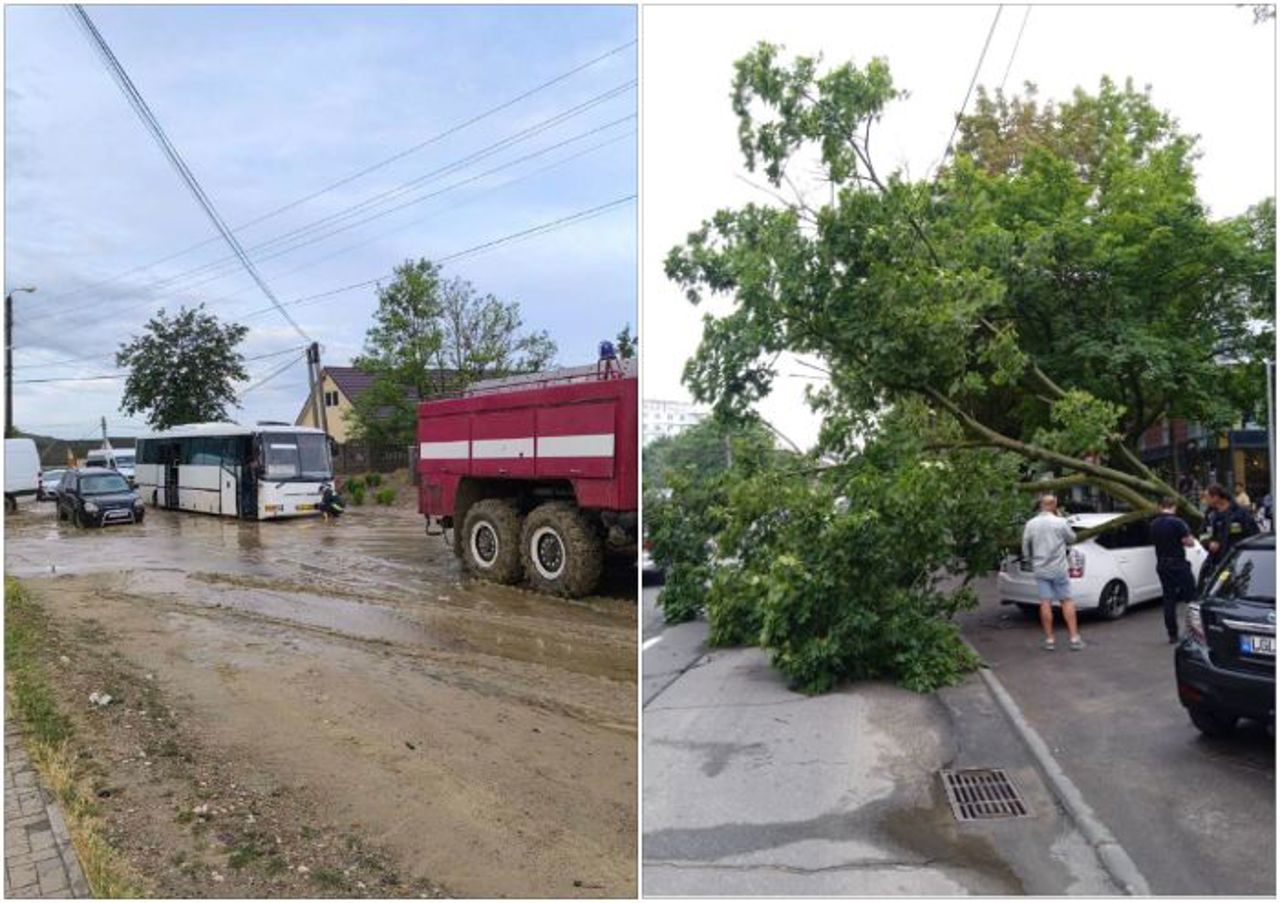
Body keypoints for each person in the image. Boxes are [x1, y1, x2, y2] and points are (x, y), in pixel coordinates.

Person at [1022, 494, 1084, 651]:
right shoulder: (1060, 522)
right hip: (1059, 568)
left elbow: (1025, 545)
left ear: (1041, 505)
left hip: (1041, 568)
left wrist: (1029, 560)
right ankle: (1074, 638)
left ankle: (1050, 640)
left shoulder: (1031, 524)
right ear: (1054, 505)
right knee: (1066, 601)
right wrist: (1062, 519)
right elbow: (1072, 539)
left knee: (1045, 602)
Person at [1150, 497, 1197, 643]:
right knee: (1191, 598)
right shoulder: (1178, 522)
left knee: (1168, 599)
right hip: (1178, 563)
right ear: (1174, 507)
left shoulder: (1154, 524)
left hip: (1162, 564)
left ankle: (1172, 634)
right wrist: (1192, 538)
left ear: (1160, 507)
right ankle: (1195, 631)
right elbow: (1189, 543)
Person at [1202, 483, 1259, 574]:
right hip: (1215, 564)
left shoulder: (1241, 513)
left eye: (1207, 497)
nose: (1205, 501)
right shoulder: (1210, 515)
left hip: (1237, 563)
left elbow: (1254, 535)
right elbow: (1202, 534)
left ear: (1216, 497)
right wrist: (1208, 543)